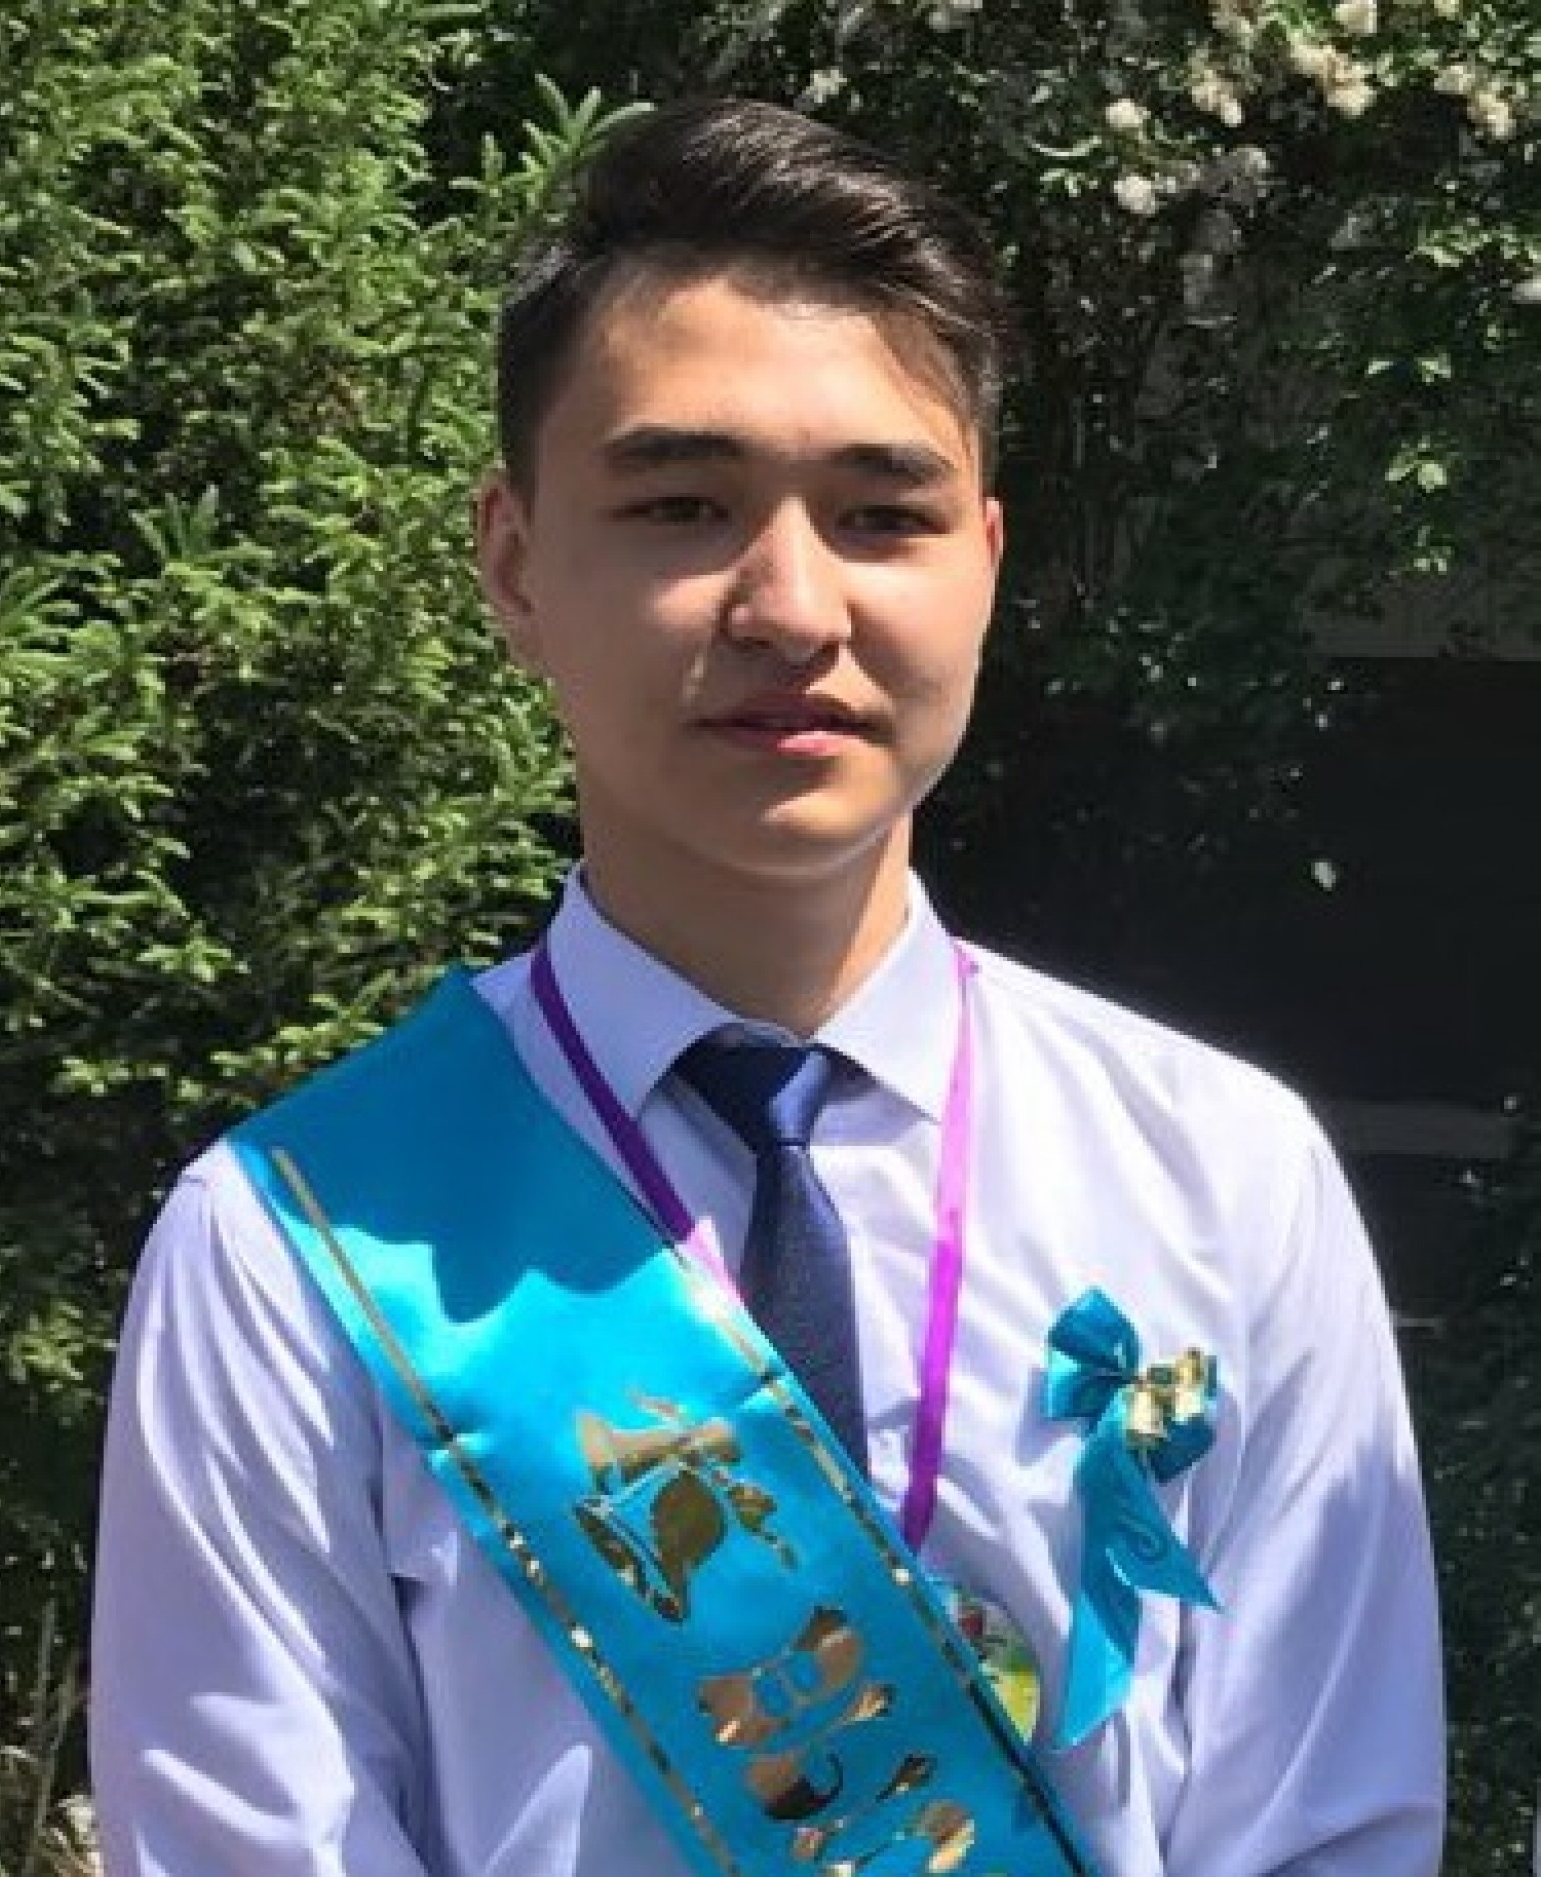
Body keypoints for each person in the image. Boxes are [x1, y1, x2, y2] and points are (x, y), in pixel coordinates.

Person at [90, 99, 1444, 1875]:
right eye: (683, 505)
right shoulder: (292, 1244)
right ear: (514, 562)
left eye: (883, 513)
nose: (793, 605)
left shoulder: (1223, 1173)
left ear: (985, 562)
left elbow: (1331, 1825)